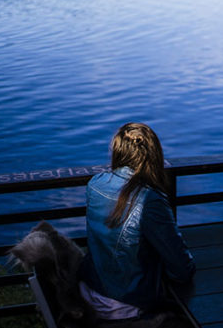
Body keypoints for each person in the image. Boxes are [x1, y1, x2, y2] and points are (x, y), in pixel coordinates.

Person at [78, 123, 195, 325]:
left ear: (118, 152)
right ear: (155, 155)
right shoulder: (150, 199)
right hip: (126, 305)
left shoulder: (94, 184)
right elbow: (181, 270)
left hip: (89, 291)